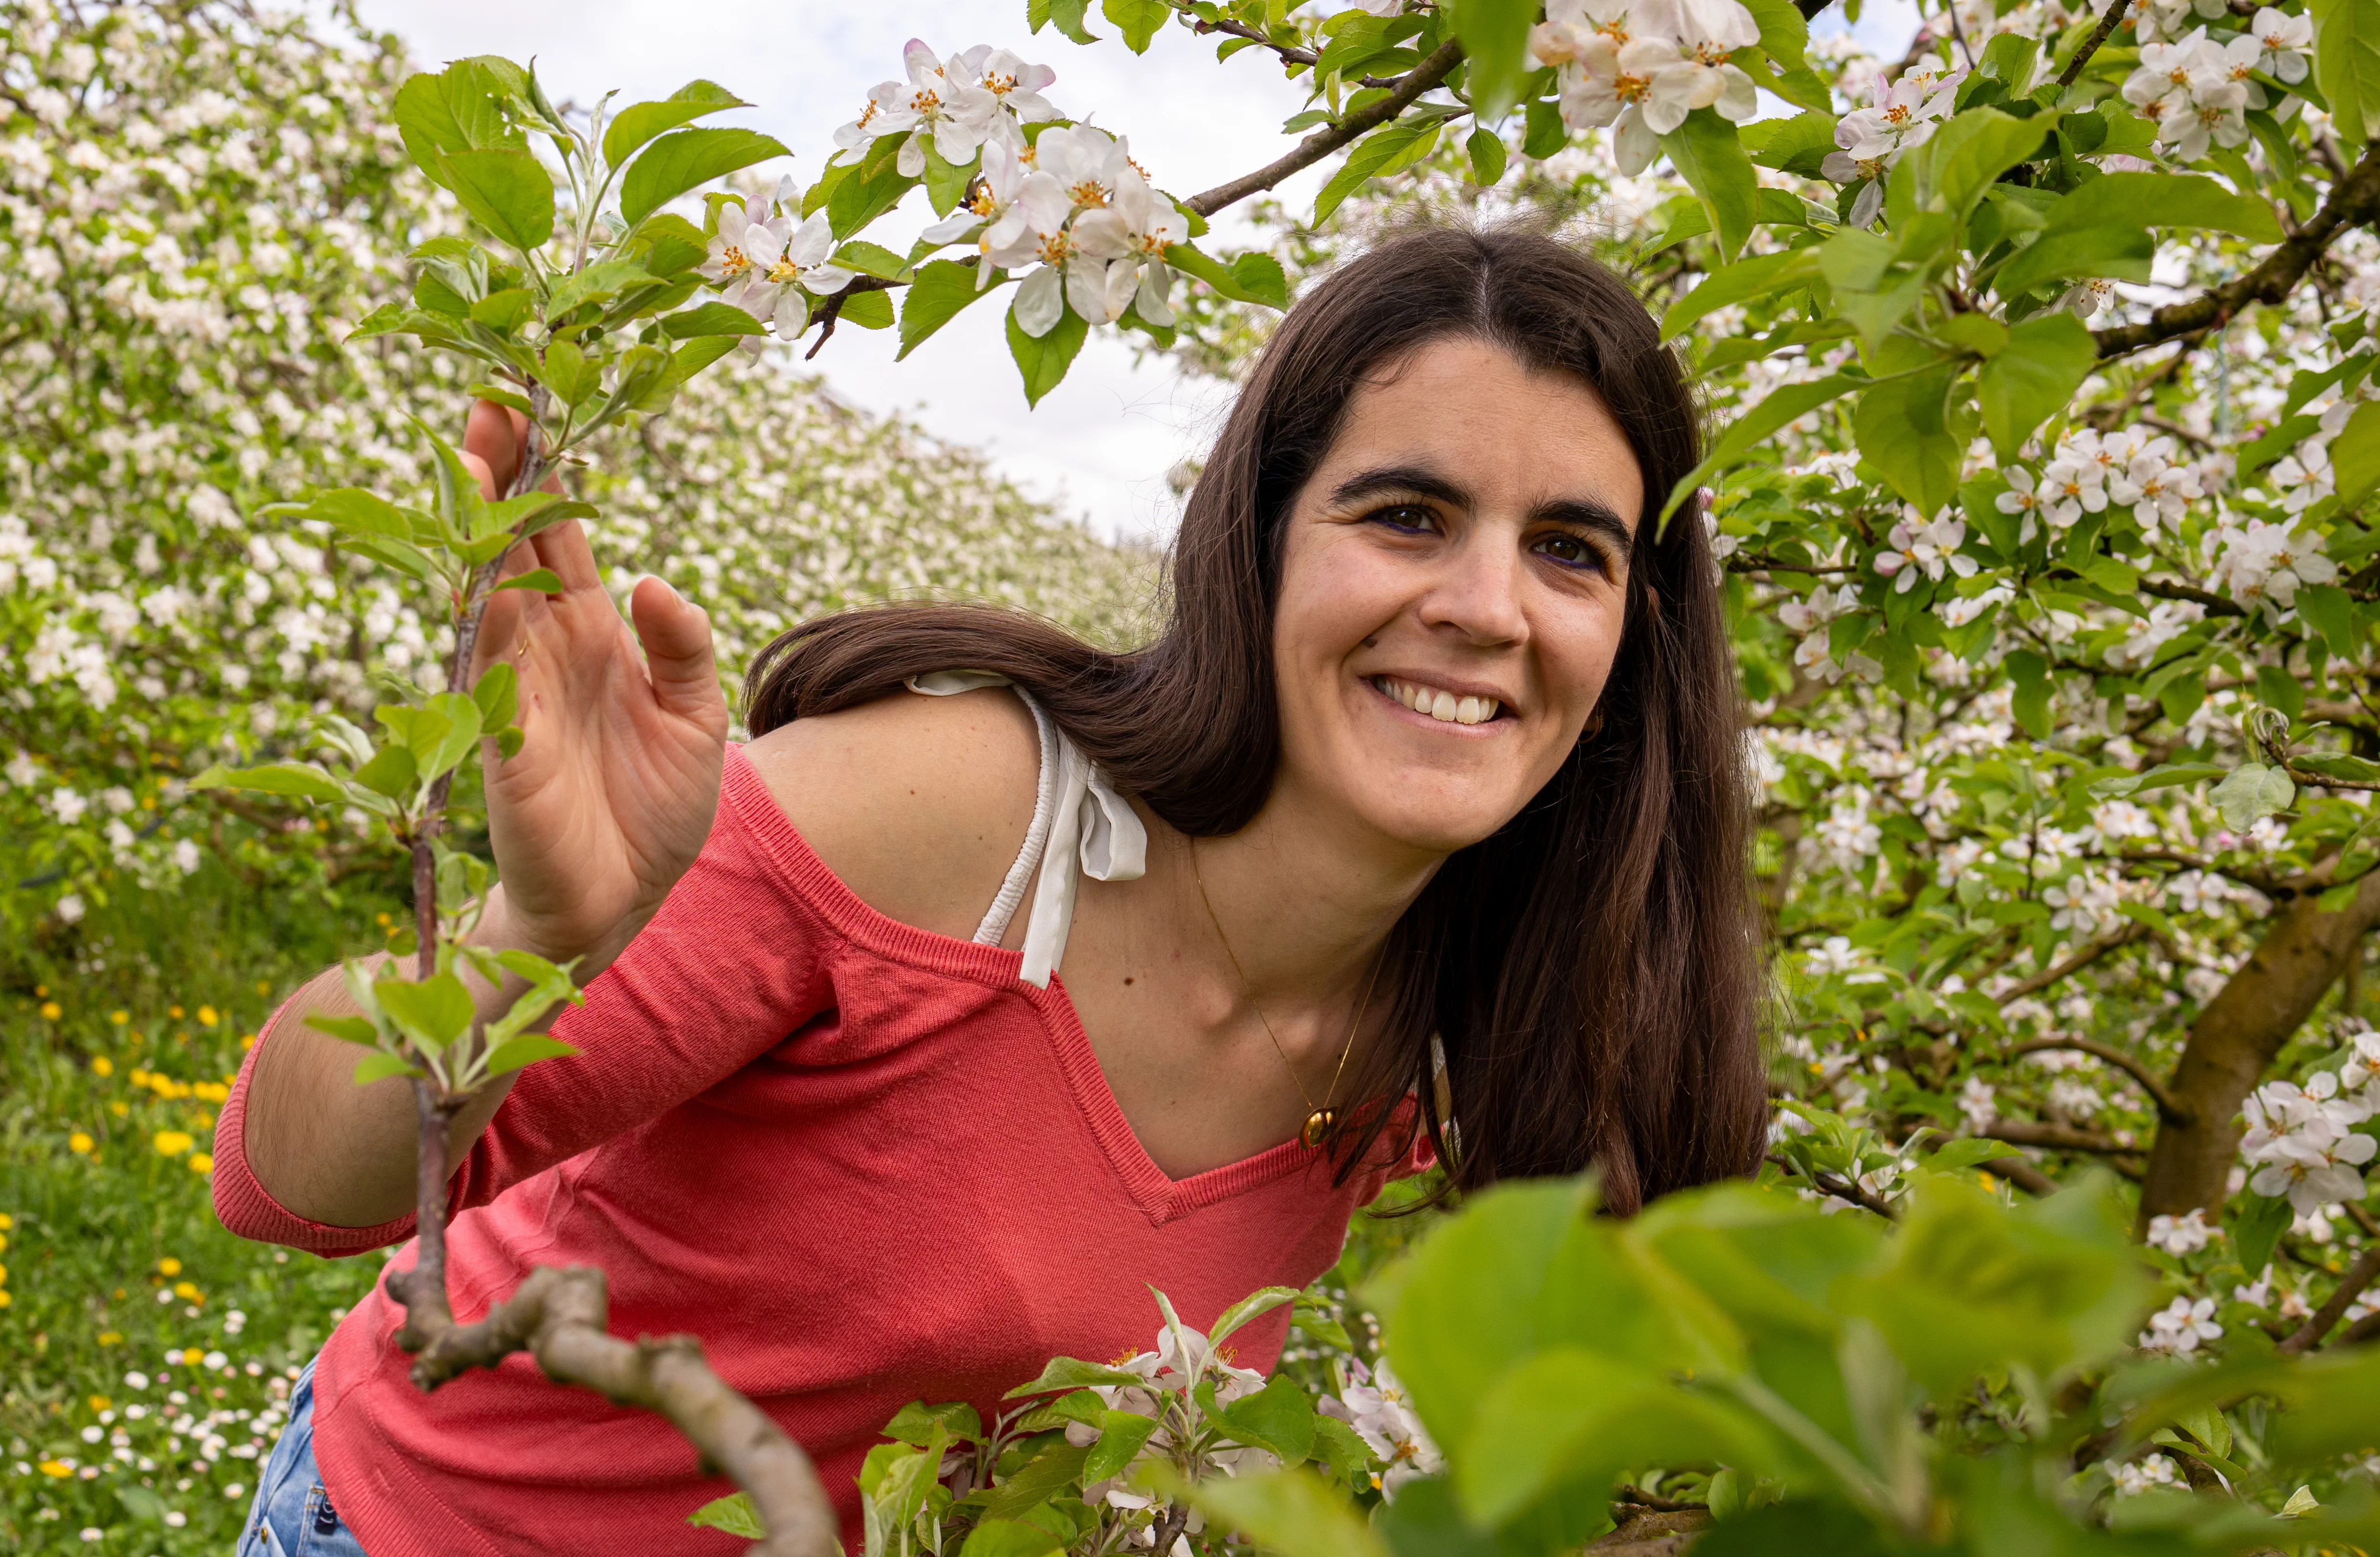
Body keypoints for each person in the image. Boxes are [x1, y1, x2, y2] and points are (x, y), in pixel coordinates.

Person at [215, 225, 1768, 1555]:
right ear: (1263, 543)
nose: (1486, 609)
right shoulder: (955, 816)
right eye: (1408, 515)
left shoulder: (1492, 1015)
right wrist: (527, 939)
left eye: (1570, 550)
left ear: (1635, 638)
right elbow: (291, 1188)